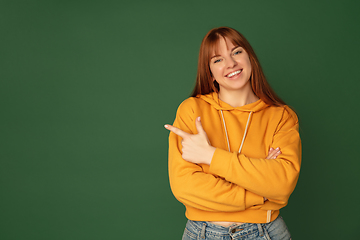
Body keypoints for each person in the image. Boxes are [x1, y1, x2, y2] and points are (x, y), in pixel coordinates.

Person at [164, 27, 301, 240]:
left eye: (236, 52)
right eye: (218, 60)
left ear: (250, 58)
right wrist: (260, 192)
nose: (231, 64)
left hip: (265, 232)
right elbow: (185, 186)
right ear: (209, 72)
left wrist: (210, 156)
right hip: (203, 233)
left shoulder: (282, 116)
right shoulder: (192, 110)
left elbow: (282, 183)